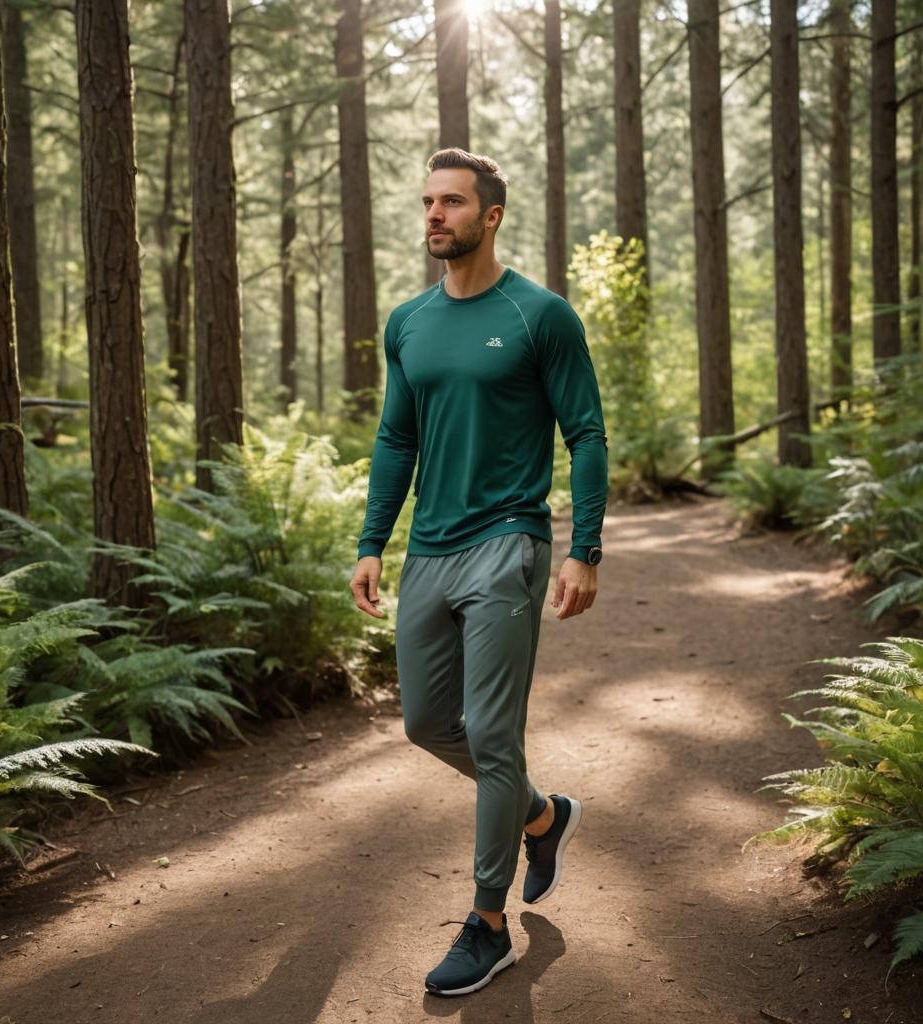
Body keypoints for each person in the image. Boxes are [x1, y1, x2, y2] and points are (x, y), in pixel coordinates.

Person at [348, 147, 609, 997]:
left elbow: (587, 434)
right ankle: (542, 814)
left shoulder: (541, 316)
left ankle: (487, 922)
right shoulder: (408, 322)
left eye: (451, 202)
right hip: (429, 548)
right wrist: (370, 540)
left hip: (510, 543)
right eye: (427, 201)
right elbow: (396, 440)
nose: (434, 215)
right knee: (426, 724)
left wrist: (585, 547)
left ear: (489, 216)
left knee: (493, 736)